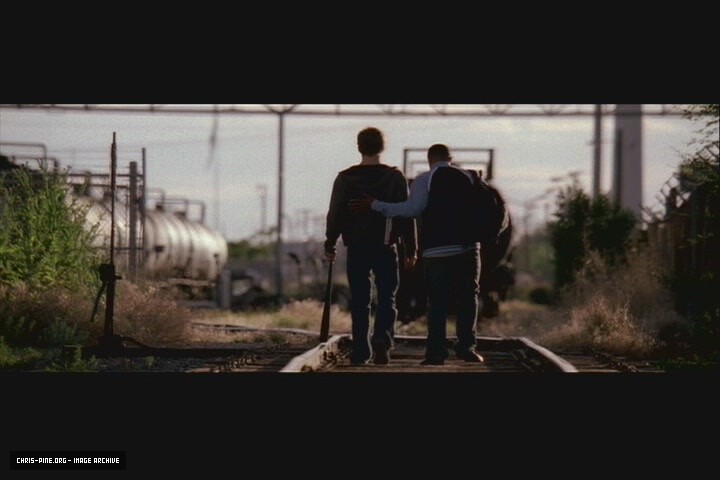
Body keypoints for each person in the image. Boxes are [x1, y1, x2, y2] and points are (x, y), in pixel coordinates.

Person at [350, 144, 484, 366]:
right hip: (469, 249)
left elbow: (412, 210)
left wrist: (375, 205)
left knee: (437, 302)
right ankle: (467, 348)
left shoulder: (424, 180)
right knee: (468, 298)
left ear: (429, 159)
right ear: (450, 158)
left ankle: (436, 353)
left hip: (436, 251)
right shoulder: (470, 177)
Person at [324, 127, 417, 365]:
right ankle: (382, 340)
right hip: (386, 246)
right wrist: (411, 248)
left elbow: (335, 213)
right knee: (387, 297)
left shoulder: (345, 178)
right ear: (382, 147)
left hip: (356, 247)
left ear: (359, 147)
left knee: (360, 300)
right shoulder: (395, 177)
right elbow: (406, 214)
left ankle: (361, 350)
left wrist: (330, 242)